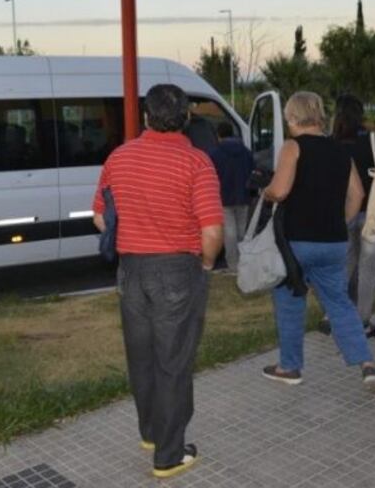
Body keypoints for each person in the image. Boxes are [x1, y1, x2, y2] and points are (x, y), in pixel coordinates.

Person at [92, 84, 224, 479]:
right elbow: (212, 231)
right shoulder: (196, 162)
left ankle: (151, 432)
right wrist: (206, 264)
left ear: (147, 116)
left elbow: (100, 217)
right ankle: (168, 456)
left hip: (130, 271)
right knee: (173, 362)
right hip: (177, 271)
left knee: (142, 358)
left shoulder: (119, 157)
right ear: (186, 117)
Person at [261, 91, 375, 390]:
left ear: (292, 117)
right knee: (340, 303)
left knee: (290, 300)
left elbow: (280, 191)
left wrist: (264, 190)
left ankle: (289, 367)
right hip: (333, 241)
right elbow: (357, 194)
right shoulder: (339, 149)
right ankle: (367, 365)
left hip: (297, 241)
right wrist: (340, 222)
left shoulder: (293, 147)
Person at [332, 94, 375, 337]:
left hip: (342, 213)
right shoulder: (372, 140)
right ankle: (363, 321)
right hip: (371, 212)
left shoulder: (331, 143)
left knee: (344, 265)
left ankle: (335, 316)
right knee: (368, 269)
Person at [210, 121, 255, 271]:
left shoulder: (214, 154)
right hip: (244, 196)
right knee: (242, 231)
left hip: (223, 197)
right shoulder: (246, 152)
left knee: (229, 233)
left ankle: (233, 264)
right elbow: (252, 172)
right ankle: (243, 261)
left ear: (218, 135)